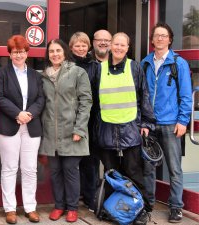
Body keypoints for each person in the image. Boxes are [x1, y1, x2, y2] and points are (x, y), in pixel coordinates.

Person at [93, 32, 155, 225]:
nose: (119, 48)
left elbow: (144, 96)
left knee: (133, 171)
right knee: (111, 173)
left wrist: (146, 123)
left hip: (130, 129)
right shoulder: (99, 69)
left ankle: (141, 209)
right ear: (110, 45)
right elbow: (94, 102)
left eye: (123, 45)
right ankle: (114, 210)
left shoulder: (134, 67)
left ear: (128, 48)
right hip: (106, 129)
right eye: (116, 44)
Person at [141, 22, 192, 223]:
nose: (160, 38)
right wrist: (144, 121)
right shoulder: (145, 63)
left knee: (174, 167)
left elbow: (186, 96)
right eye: (157, 36)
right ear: (152, 40)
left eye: (164, 35)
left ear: (169, 39)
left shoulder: (178, 63)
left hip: (172, 124)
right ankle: (148, 204)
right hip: (150, 125)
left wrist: (183, 120)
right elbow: (141, 95)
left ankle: (176, 207)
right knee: (148, 167)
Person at [0, 35, 45, 224]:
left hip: (31, 126)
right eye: (15, 52)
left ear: (27, 53)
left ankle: (30, 207)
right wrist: (18, 114)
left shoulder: (35, 75)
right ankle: (10, 209)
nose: (18, 55)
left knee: (30, 169)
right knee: (9, 168)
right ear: (10, 53)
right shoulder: (1, 73)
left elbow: (41, 99)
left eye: (22, 51)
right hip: (8, 126)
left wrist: (29, 114)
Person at [40, 39, 92, 223]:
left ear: (64, 52)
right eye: (51, 51)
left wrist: (79, 128)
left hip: (72, 131)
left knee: (70, 170)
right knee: (54, 171)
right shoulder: (43, 75)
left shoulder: (78, 72)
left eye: (58, 50)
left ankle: (72, 208)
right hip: (50, 132)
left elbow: (86, 102)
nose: (55, 54)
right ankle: (59, 205)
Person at [68, 32, 100, 212]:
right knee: (72, 162)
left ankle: (90, 197)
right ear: (71, 47)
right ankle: (73, 196)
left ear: (89, 47)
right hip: (72, 119)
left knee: (90, 162)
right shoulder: (67, 66)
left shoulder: (95, 66)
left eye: (84, 45)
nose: (81, 48)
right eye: (77, 45)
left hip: (91, 119)